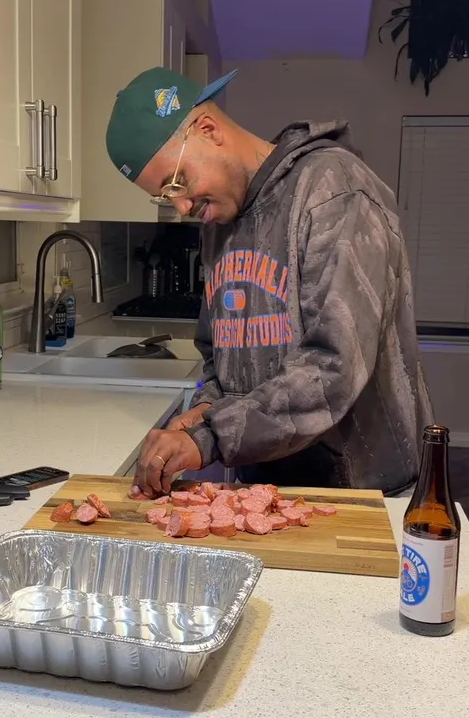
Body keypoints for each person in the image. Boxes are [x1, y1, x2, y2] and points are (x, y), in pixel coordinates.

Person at [105, 66, 434, 497]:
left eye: (177, 182)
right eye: (166, 196)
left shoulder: (335, 191)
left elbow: (334, 367)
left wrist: (210, 436)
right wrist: (206, 408)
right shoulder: (219, 223)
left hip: (365, 492)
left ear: (207, 129)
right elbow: (217, 356)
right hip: (271, 491)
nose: (182, 207)